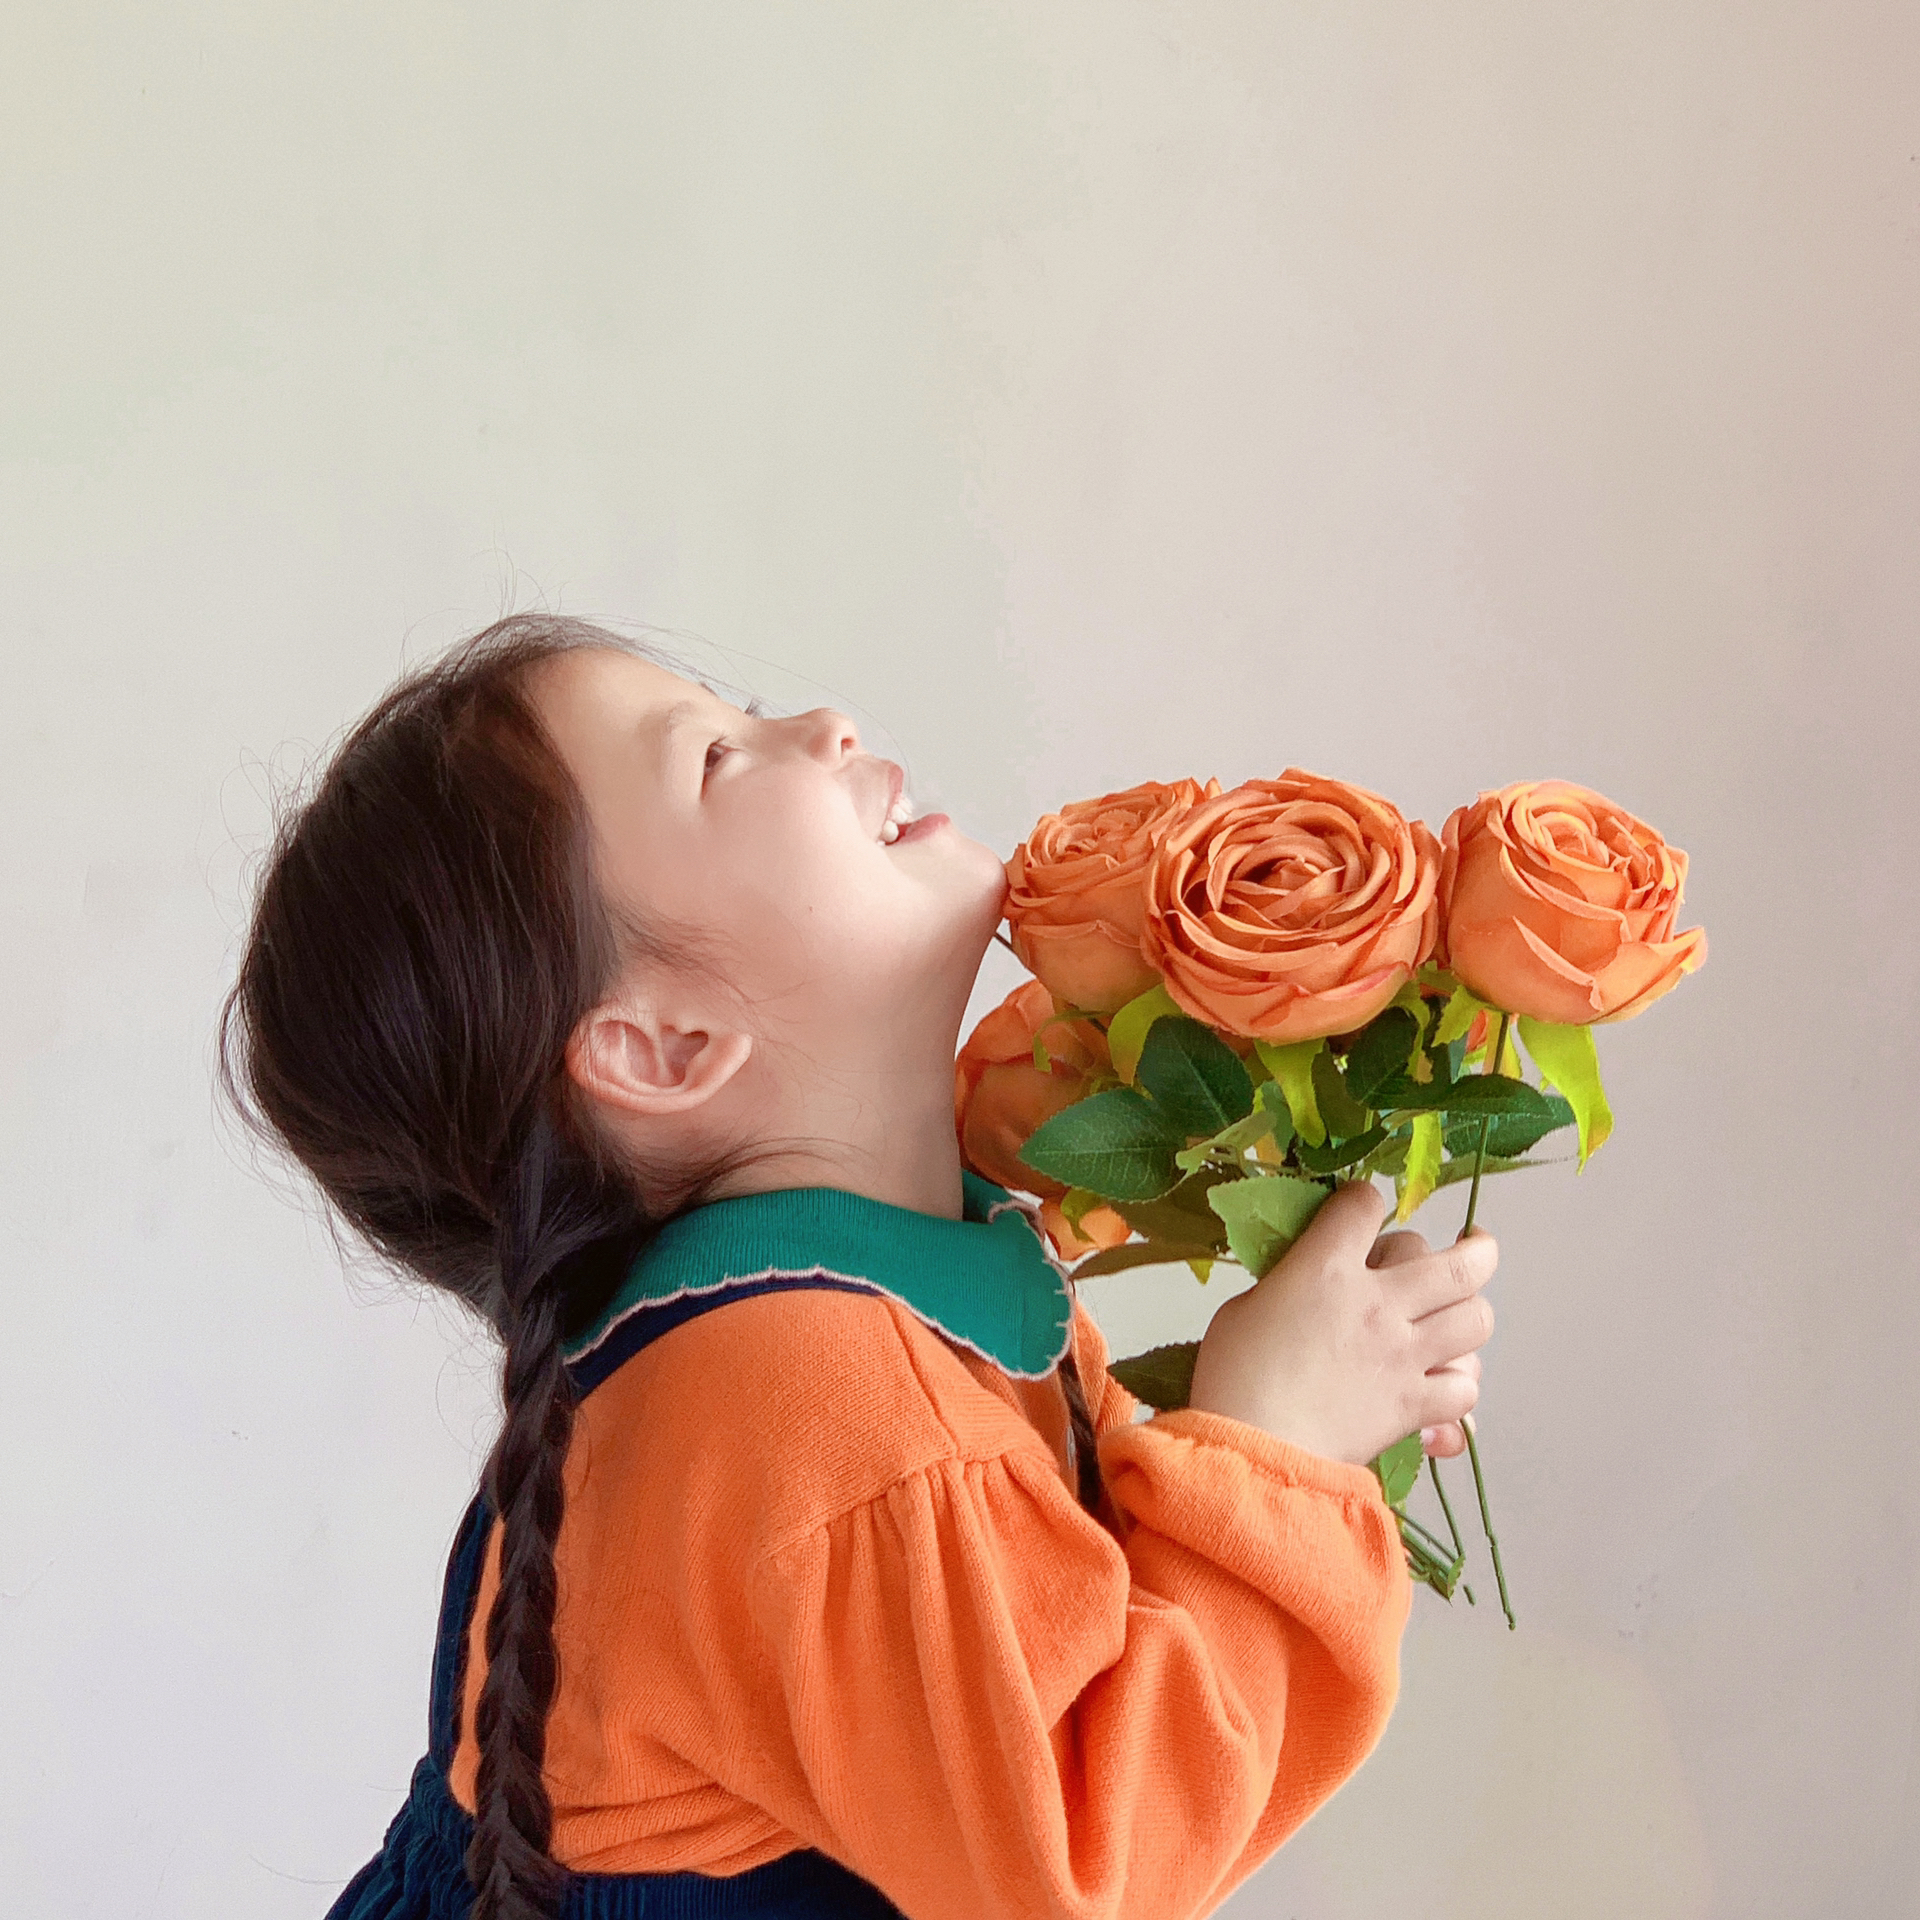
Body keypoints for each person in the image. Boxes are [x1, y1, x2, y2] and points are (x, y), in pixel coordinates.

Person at [219, 614, 1496, 1920]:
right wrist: (1279, 1445)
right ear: (664, 1045)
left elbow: (1068, 1641)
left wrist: (1307, 1412)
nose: (822, 725)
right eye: (716, 763)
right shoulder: (808, 1411)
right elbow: (1080, 1870)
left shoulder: (860, 1314)